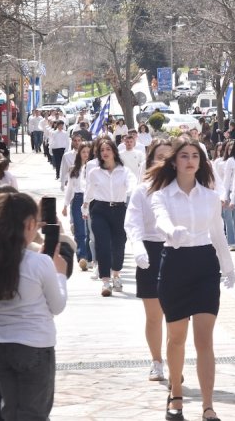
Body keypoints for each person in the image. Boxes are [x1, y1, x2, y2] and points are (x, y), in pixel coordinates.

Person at [149, 139, 235, 421]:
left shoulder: (210, 197)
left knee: (204, 339)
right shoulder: (161, 195)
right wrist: (171, 232)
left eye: (195, 156)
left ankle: (208, 405)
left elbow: (218, 234)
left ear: (200, 162)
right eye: (184, 155)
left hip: (204, 266)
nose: (189, 160)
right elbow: (160, 219)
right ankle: (176, 393)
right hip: (174, 264)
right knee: (176, 338)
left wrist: (228, 266)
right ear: (174, 162)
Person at [0, 192, 69, 420]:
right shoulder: (39, 263)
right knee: (34, 413)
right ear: (30, 224)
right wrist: (59, 275)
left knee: (9, 411)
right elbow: (57, 306)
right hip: (35, 346)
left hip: (1, 345)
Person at [125, 138, 174, 383]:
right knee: (154, 315)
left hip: (178, 252)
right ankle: (157, 361)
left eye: (169, 157)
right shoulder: (142, 190)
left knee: (177, 317)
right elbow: (132, 222)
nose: (163, 162)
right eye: (159, 157)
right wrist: (137, 246)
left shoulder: (183, 188)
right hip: (150, 252)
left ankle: (175, 361)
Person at [86, 136, 137, 296]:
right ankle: (106, 281)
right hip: (100, 210)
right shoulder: (94, 172)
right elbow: (89, 192)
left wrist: (132, 192)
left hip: (119, 210)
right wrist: (85, 207)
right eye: (102, 150)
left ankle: (116, 274)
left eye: (108, 149)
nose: (105, 152)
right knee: (103, 244)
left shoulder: (124, 171)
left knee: (119, 244)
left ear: (114, 152)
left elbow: (132, 184)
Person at [63, 143, 93, 272]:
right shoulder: (73, 169)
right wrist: (65, 205)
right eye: (83, 152)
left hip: (92, 200)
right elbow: (69, 189)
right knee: (80, 230)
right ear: (79, 153)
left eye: (88, 152)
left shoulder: (94, 168)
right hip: (77, 199)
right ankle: (82, 257)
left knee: (90, 230)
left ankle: (91, 257)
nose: (86, 154)